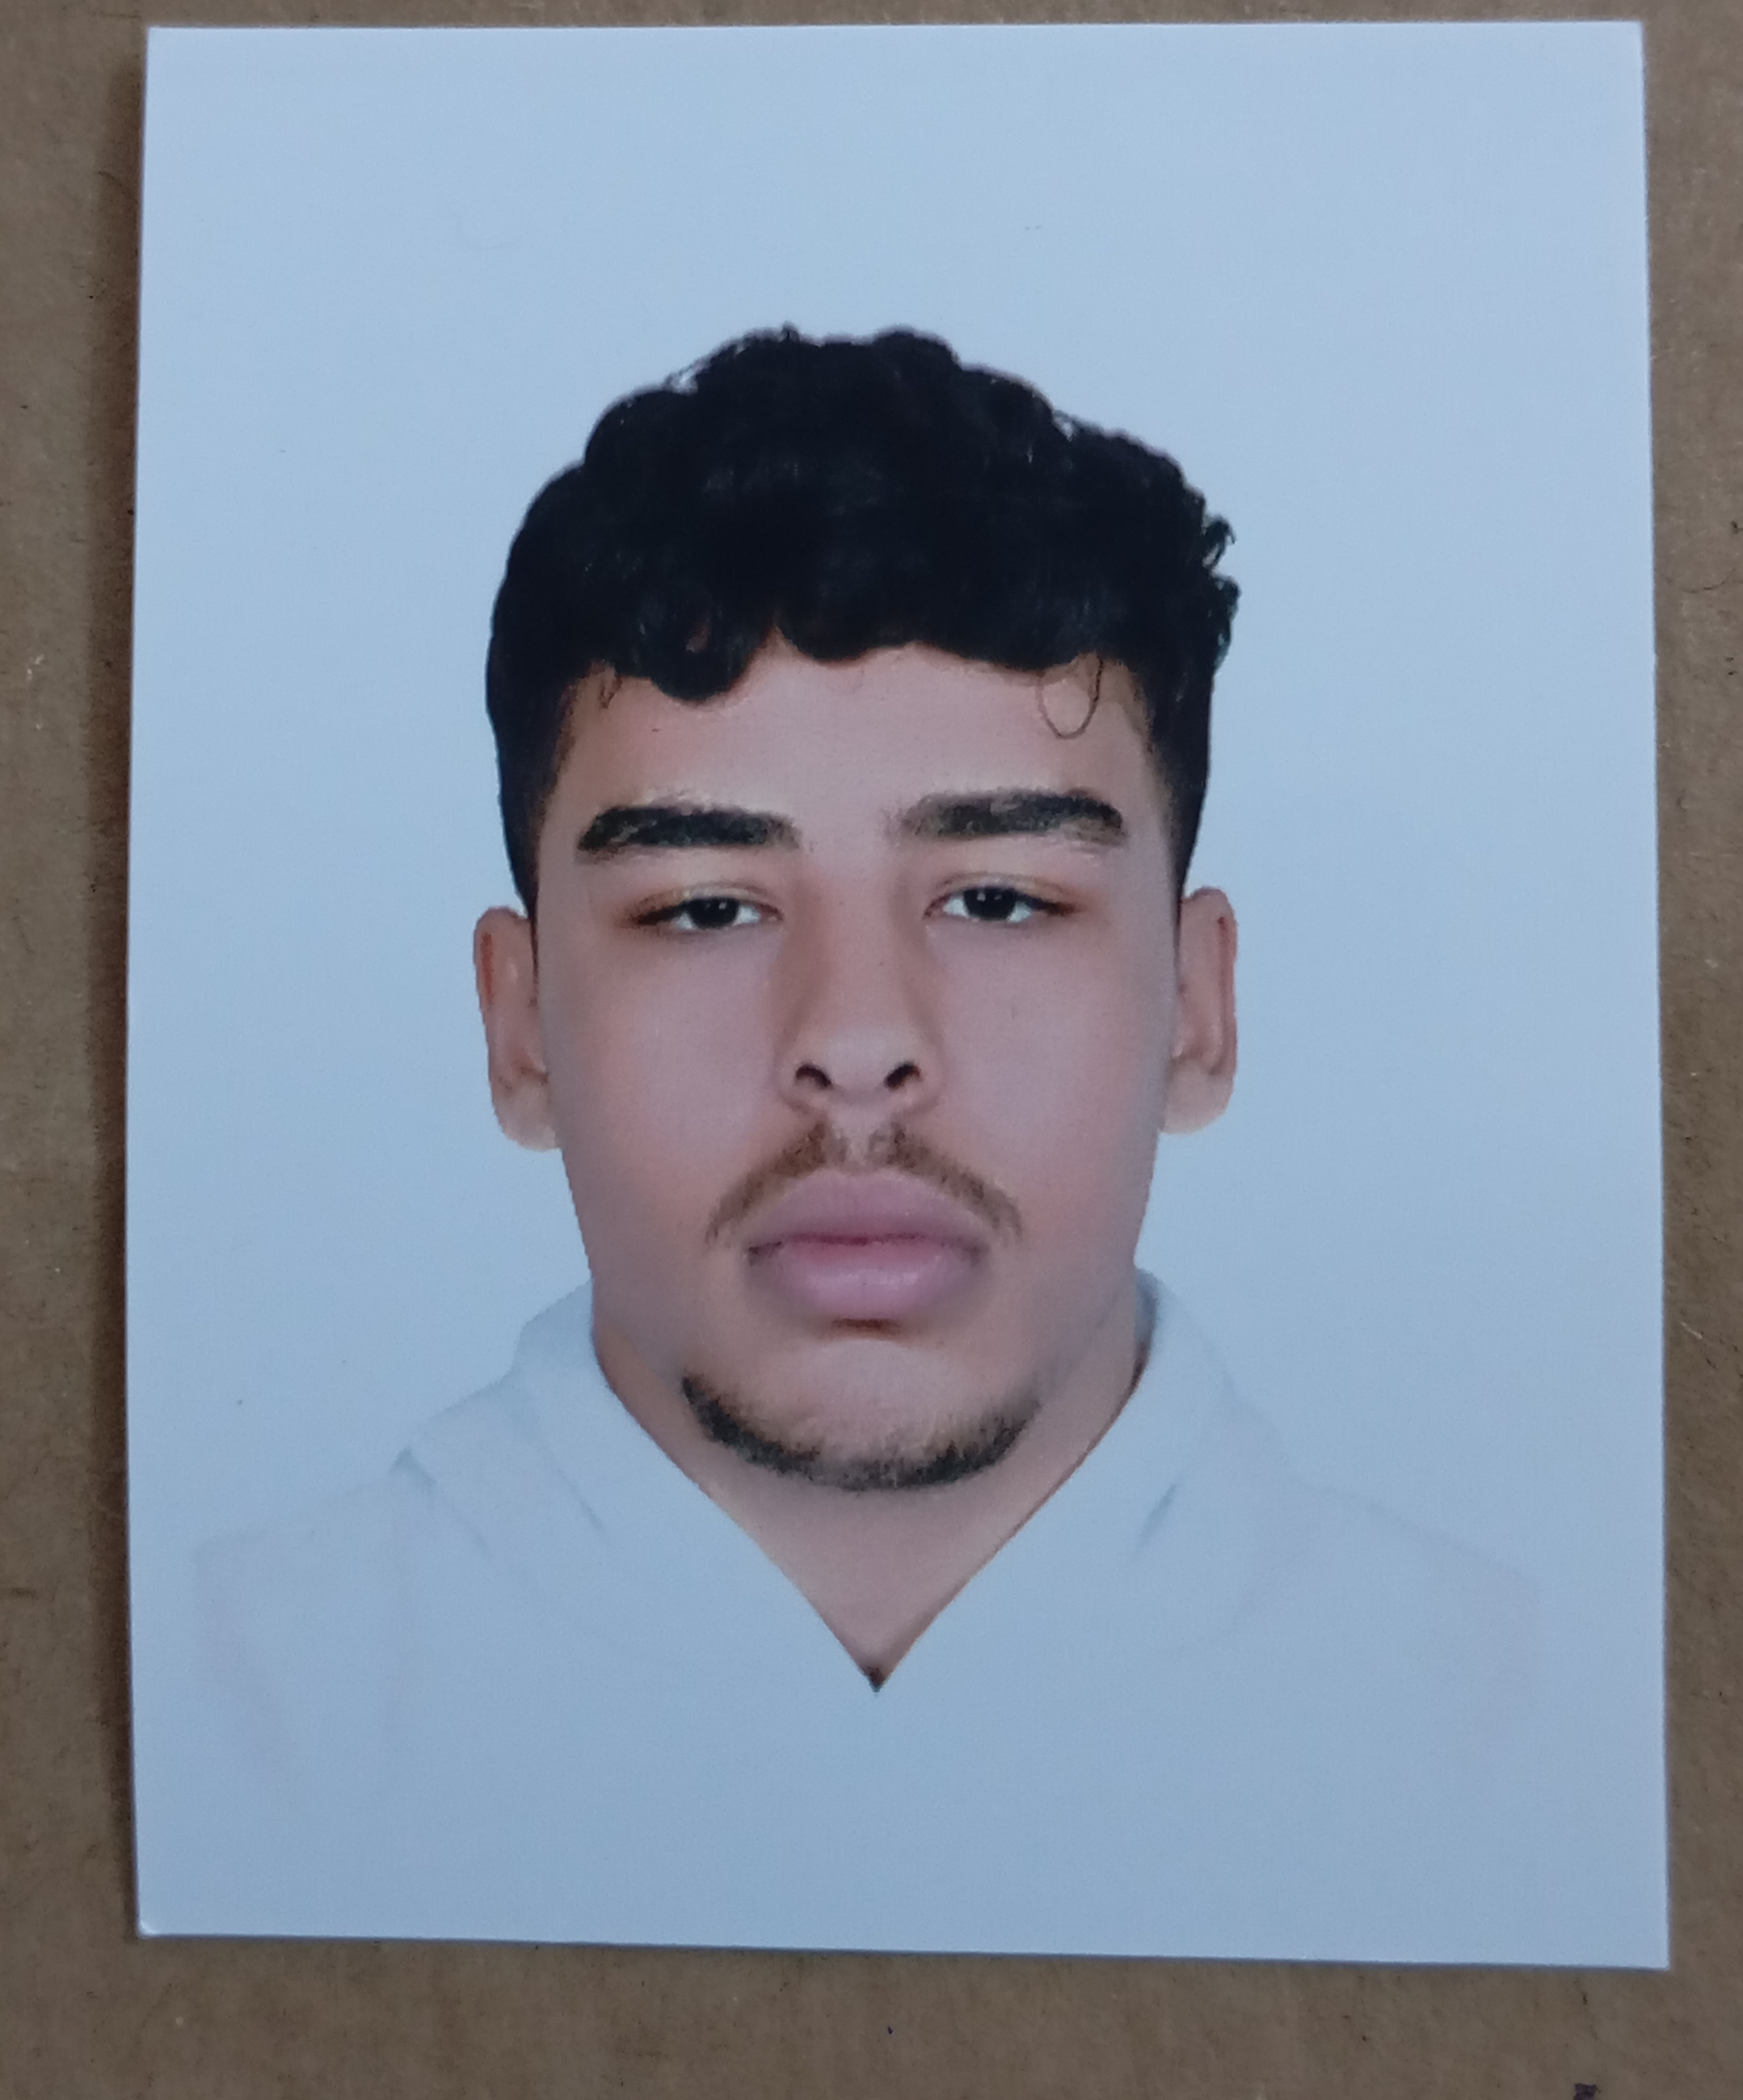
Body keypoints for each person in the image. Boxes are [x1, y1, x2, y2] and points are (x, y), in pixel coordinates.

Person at [192, 330, 1540, 1957]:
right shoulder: (217, 1717)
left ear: (1197, 1008)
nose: (853, 1039)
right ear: (519, 1025)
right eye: (706, 907)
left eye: (999, 899)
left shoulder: (1524, 1735)